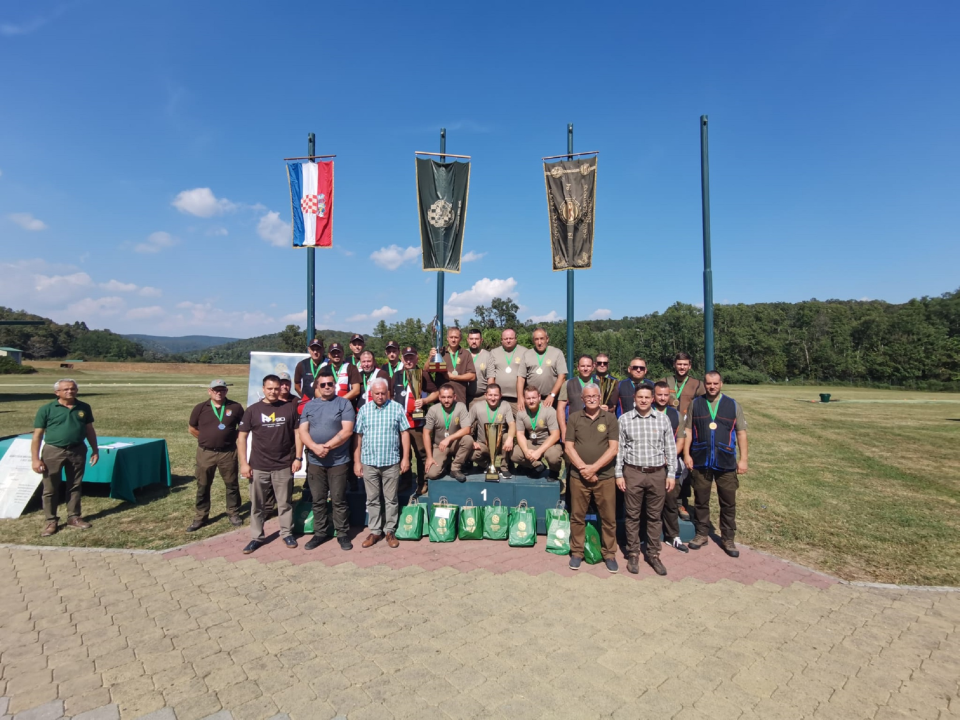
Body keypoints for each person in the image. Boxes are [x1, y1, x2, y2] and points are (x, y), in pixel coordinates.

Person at [683, 371, 749, 558]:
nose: (712, 387)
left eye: (715, 383)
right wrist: (687, 454)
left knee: (728, 502)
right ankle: (702, 534)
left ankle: (728, 538)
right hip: (701, 459)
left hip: (726, 460)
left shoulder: (733, 405)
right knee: (701, 500)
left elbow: (741, 433)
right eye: (709, 383)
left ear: (721, 384)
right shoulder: (696, 404)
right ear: (705, 384)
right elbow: (688, 430)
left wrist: (743, 459)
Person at [616, 385, 677, 576]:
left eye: (647, 397)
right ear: (634, 397)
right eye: (640, 397)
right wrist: (619, 474)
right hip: (633, 472)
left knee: (654, 516)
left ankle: (653, 554)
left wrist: (671, 473)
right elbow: (620, 449)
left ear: (652, 399)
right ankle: (633, 553)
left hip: (657, 473)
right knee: (632, 516)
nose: (643, 400)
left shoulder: (662, 419)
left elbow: (671, 448)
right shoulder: (625, 419)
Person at [238, 375, 303, 554]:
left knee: (285, 503)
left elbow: (298, 434)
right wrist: (244, 463)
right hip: (259, 465)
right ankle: (256, 537)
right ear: (264, 388)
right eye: (270, 388)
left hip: (283, 465)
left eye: (276, 388)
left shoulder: (289, 408)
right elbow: (241, 438)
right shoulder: (252, 410)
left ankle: (287, 533)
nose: (273, 391)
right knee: (257, 505)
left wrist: (298, 458)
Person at [31, 379, 98, 537]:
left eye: (73, 388)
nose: (70, 391)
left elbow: (89, 430)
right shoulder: (46, 409)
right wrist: (35, 459)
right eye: (66, 389)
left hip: (77, 450)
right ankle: (51, 521)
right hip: (53, 451)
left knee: (75, 485)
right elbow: (37, 436)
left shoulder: (84, 407)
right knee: (50, 488)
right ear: (57, 393)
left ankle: (74, 517)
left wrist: (95, 450)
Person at [298, 367, 356, 551]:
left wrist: (327, 446)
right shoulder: (310, 405)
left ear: (335, 385)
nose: (327, 387)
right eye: (323, 384)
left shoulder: (344, 404)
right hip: (315, 461)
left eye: (330, 384)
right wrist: (315, 447)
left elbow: (347, 431)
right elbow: (302, 431)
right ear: (317, 386)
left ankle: (342, 533)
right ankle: (320, 533)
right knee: (318, 499)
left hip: (338, 461)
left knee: (339, 499)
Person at [564, 383, 620, 573]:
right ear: (582, 399)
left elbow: (613, 449)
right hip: (578, 477)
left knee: (608, 517)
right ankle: (577, 552)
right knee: (577, 516)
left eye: (594, 396)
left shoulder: (611, 419)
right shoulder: (573, 418)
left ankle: (609, 553)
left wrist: (594, 468)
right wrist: (583, 468)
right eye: (587, 397)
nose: (591, 399)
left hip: (604, 477)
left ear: (599, 397)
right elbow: (568, 447)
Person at [353, 377, 411, 548]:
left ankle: (390, 530)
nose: (380, 396)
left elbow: (405, 433)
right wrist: (357, 461)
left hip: (391, 461)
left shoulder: (396, 408)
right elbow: (359, 437)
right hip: (369, 462)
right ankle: (375, 531)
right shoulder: (364, 410)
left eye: (383, 393)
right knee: (372, 499)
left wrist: (405, 458)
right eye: (376, 393)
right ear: (371, 394)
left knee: (391, 498)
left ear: (388, 393)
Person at [186, 379, 244, 532]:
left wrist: (232, 436)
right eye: (216, 390)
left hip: (228, 452)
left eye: (222, 390)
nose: (219, 392)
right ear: (209, 391)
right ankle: (200, 517)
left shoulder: (235, 407)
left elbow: (244, 427)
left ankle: (233, 512)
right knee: (203, 485)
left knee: (232, 484)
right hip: (206, 453)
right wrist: (205, 438)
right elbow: (192, 428)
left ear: (226, 391)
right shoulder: (200, 408)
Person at [391, 346, 439, 495]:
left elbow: (436, 393)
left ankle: (423, 482)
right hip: (400, 423)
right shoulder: (397, 375)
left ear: (417, 358)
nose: (409, 360)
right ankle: (405, 481)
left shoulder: (423, 374)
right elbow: (391, 395)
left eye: (411, 357)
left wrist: (424, 401)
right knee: (402, 453)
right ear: (402, 359)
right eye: (406, 358)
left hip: (417, 422)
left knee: (421, 453)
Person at [654, 381, 688, 553]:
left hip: (668, 463)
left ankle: (672, 535)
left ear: (670, 396)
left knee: (671, 501)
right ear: (654, 395)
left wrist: (669, 458)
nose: (662, 398)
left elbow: (680, 441)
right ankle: (646, 536)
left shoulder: (675, 415)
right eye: (659, 394)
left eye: (665, 395)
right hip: (650, 464)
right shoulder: (646, 412)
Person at [423, 384, 473, 482]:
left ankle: (455, 468)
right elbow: (426, 433)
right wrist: (429, 457)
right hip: (439, 446)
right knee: (432, 474)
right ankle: (446, 462)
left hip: (455, 443)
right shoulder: (433, 410)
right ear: (439, 398)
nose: (446, 400)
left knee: (468, 439)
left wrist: (449, 438)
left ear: (455, 397)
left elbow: (467, 429)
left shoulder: (460, 406)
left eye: (449, 397)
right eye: (443, 397)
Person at [466, 383, 515, 479]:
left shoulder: (505, 405)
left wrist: (510, 438)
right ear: (485, 395)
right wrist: (472, 441)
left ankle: (504, 467)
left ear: (500, 395)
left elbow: (512, 424)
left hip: (500, 444)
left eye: (496, 395)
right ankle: (487, 464)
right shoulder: (477, 406)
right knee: (471, 455)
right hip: (483, 444)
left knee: (506, 436)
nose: (493, 398)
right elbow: (466, 425)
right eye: (490, 395)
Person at [512, 386, 562, 478]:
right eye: (528, 398)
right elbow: (520, 434)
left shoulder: (549, 410)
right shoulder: (521, 412)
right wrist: (526, 451)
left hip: (549, 444)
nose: (531, 401)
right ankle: (537, 465)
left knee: (553, 457)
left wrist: (539, 452)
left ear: (539, 397)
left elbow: (555, 435)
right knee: (514, 454)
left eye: (534, 398)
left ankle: (554, 471)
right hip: (533, 443)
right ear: (524, 399)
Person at [519, 327, 567, 410]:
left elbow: (562, 377)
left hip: (552, 398)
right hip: (532, 400)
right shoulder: (527, 354)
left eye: (542, 339)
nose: (539, 342)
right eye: (536, 339)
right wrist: (520, 397)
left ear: (547, 339)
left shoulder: (557, 353)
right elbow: (521, 378)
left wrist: (552, 395)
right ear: (533, 341)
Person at [429, 327, 476, 406]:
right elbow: (427, 369)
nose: (453, 340)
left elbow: (472, 376)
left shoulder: (466, 354)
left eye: (456, 337)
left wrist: (453, 377)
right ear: (447, 338)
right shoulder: (440, 352)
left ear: (460, 339)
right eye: (451, 337)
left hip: (459, 398)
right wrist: (430, 357)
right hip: (442, 399)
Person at [557, 354, 597, 440]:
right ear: (578, 367)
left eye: (588, 366)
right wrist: (564, 431)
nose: (585, 369)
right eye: (582, 366)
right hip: (574, 429)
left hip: (595, 428)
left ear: (593, 367)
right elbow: (561, 408)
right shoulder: (568, 384)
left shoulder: (599, 384)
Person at [488, 328, 527, 413]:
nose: (508, 341)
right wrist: (491, 395)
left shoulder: (525, 352)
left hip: (517, 399)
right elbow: (491, 375)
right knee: (499, 423)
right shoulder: (494, 352)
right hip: (499, 399)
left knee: (520, 423)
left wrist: (521, 397)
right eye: (505, 339)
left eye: (511, 338)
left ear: (516, 339)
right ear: (501, 340)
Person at [661, 352, 705, 416]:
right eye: (679, 364)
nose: (682, 367)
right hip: (667, 422)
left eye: (685, 364)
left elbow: (704, 406)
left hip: (688, 423)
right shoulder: (664, 381)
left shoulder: (698, 385)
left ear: (689, 366)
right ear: (674, 365)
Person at [294, 337, 326, 414]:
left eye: (318, 349)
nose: (315, 352)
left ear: (323, 350)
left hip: (325, 403)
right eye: (313, 349)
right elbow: (297, 385)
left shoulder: (328, 363)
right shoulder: (302, 364)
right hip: (308, 403)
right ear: (309, 349)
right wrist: (304, 396)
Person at [465, 328, 493, 407]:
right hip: (465, 398)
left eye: (477, 339)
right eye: (471, 339)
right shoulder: (463, 354)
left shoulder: (488, 356)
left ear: (481, 340)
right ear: (468, 340)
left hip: (482, 398)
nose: (474, 341)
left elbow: (491, 379)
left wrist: (490, 397)